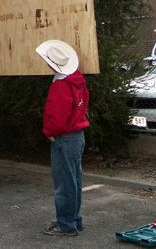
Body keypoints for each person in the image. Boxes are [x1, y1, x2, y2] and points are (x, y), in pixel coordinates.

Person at [36, 39, 90, 236]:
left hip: (64, 137)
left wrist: (49, 133)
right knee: (74, 179)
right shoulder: (77, 80)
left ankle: (66, 224)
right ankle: (74, 219)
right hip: (77, 135)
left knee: (64, 182)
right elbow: (81, 106)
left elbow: (58, 115)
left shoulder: (60, 85)